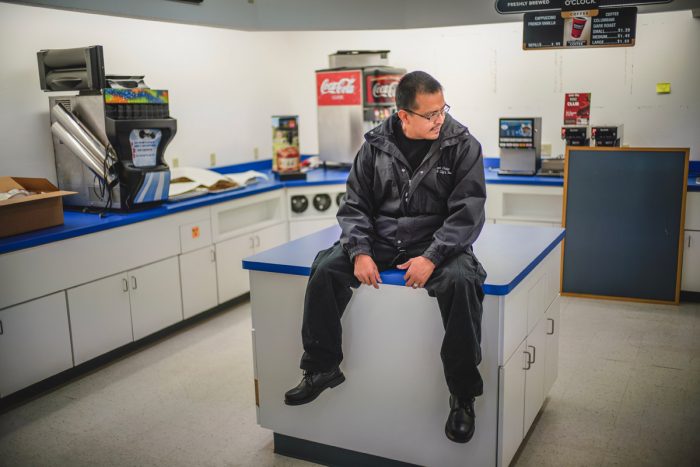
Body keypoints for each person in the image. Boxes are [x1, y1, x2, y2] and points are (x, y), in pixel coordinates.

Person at [284, 71, 487, 444]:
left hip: (436, 242)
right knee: (327, 268)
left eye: (442, 110)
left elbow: (468, 214)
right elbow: (355, 206)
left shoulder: (462, 145)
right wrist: (359, 251)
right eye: (430, 115)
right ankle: (321, 367)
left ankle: (462, 394)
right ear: (403, 114)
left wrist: (432, 256)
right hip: (380, 240)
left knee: (462, 281)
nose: (439, 120)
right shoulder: (374, 146)